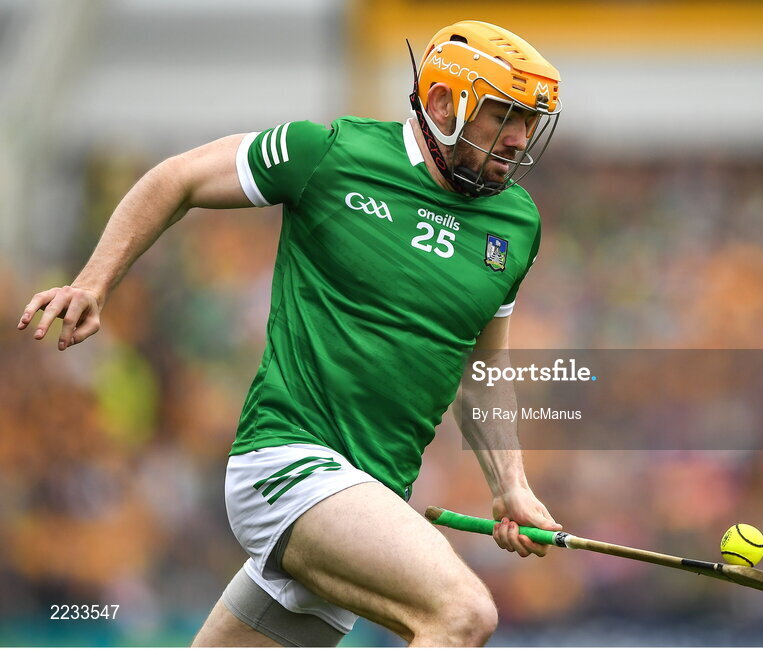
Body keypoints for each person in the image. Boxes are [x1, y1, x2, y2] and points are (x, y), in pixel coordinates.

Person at [18, 20, 563, 647]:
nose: (519, 139)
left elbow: (483, 379)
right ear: (443, 103)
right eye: (503, 115)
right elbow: (178, 177)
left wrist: (511, 487)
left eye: (529, 122)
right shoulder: (329, 154)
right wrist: (93, 281)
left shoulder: (516, 224)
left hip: (367, 497)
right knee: (463, 614)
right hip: (288, 463)